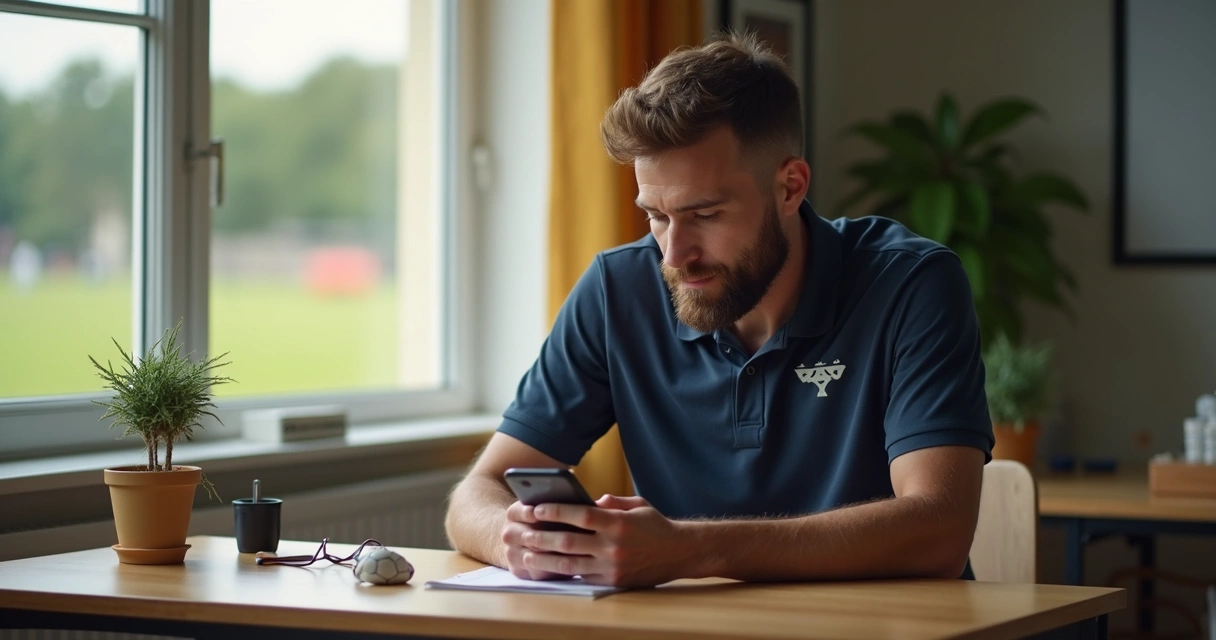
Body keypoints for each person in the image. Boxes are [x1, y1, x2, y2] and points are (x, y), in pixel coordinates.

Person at [444, 32, 994, 588]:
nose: (674, 254)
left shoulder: (911, 285)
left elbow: (939, 531)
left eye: (704, 214)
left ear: (789, 187)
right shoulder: (618, 291)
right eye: (655, 215)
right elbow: (478, 493)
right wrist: (516, 540)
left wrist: (690, 550)